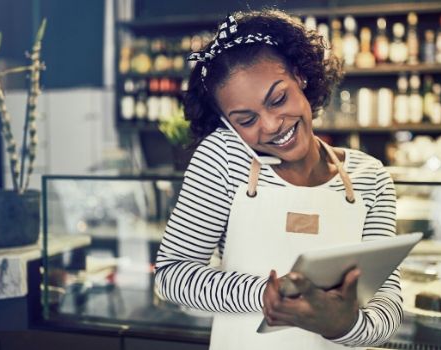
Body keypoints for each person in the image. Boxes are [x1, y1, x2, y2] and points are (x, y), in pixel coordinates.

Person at [154, 9, 401, 350]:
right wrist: (263, 294)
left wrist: (343, 325)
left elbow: (388, 310)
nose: (270, 125)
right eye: (246, 119)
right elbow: (172, 276)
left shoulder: (370, 178)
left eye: (278, 99)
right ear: (228, 123)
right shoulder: (225, 158)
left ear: (300, 76)